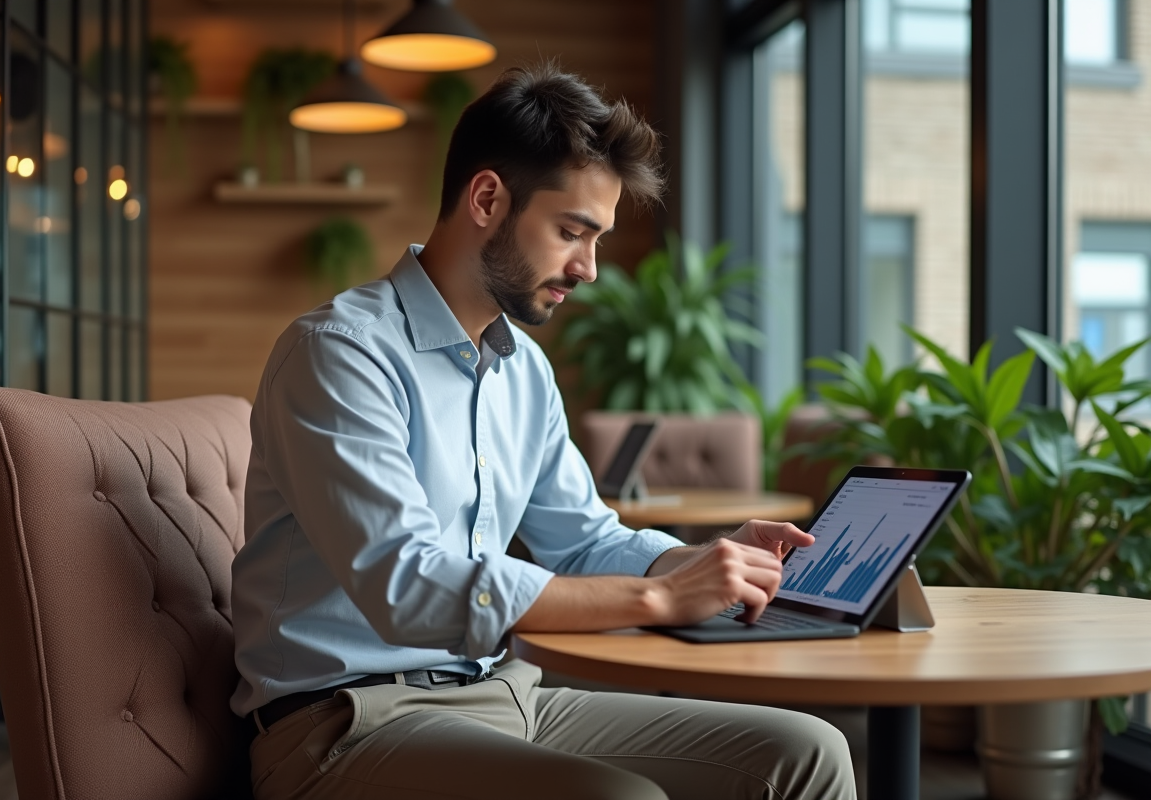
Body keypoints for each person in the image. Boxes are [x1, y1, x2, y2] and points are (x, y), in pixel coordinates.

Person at [231, 62, 856, 800]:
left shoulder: (522, 368)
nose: (588, 268)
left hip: (505, 694)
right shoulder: (340, 353)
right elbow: (406, 584)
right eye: (570, 232)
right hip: (344, 725)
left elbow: (585, 541)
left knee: (808, 751)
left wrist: (700, 563)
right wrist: (659, 600)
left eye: (596, 239)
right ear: (487, 199)